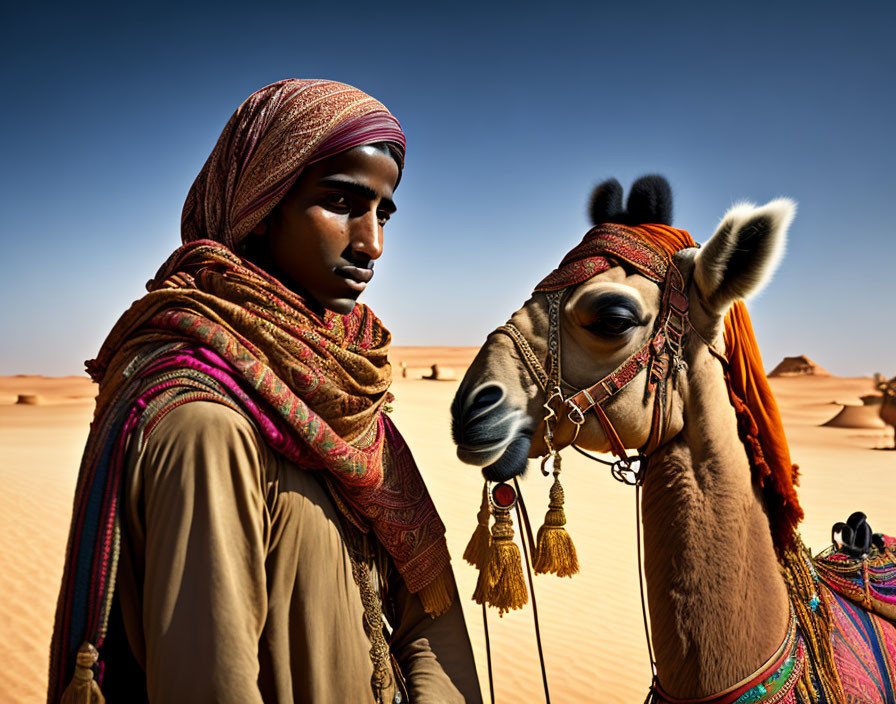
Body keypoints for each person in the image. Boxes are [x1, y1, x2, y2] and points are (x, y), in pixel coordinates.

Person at [48, 79, 481, 704]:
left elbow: (427, 622)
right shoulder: (203, 424)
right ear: (260, 204)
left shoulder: (344, 395)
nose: (371, 244)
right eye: (340, 203)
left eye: (382, 213)